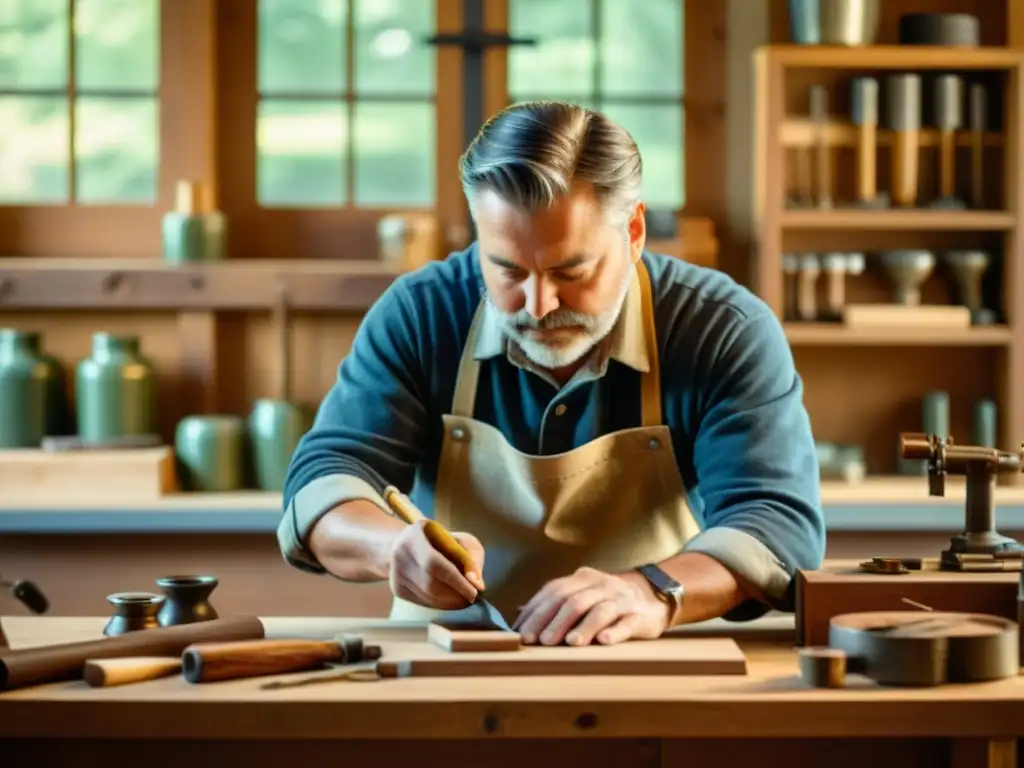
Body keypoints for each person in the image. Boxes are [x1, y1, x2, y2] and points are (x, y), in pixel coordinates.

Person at [277, 101, 824, 647]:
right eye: (507, 269)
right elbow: (326, 478)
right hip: (444, 665)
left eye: (570, 270)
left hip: (648, 661)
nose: (538, 306)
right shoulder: (420, 314)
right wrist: (390, 547)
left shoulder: (720, 328)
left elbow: (775, 521)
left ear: (633, 232)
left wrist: (653, 590)